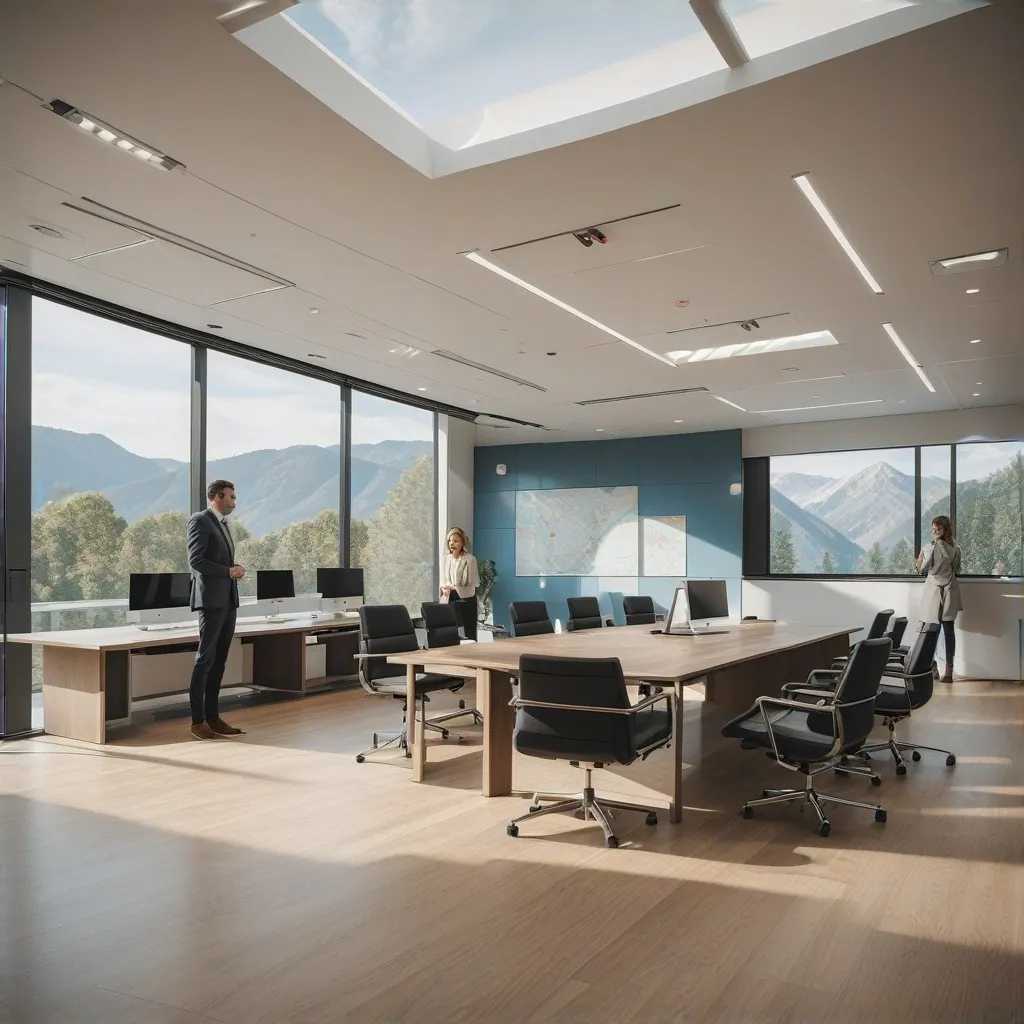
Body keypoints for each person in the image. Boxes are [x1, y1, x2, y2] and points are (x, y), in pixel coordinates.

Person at [187, 479, 247, 739]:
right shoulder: (200, 520)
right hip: (211, 602)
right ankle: (197, 720)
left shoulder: (223, 525)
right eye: (230, 497)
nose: (234, 501)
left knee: (220, 660)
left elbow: (221, 561)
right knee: (205, 659)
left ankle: (213, 716)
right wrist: (227, 571)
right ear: (216, 497)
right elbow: (196, 560)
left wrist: (233, 571)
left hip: (228, 600)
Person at [916, 514, 962, 683]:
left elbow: (923, 569)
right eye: (933, 527)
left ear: (944, 529)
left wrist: (918, 561)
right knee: (949, 631)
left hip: (933, 590)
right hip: (950, 589)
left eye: (937, 528)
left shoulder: (930, 547)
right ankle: (949, 671)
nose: (934, 530)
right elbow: (957, 568)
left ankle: (932, 667)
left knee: (930, 629)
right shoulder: (956, 547)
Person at [440, 526, 479, 642]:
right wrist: (446, 585)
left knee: (469, 632)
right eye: (450, 541)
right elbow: (443, 579)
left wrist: (454, 585)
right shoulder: (445, 559)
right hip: (450, 598)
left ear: (462, 542)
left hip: (466, 598)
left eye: (456, 541)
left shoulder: (470, 559)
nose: (452, 543)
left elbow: (473, 581)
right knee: (450, 630)